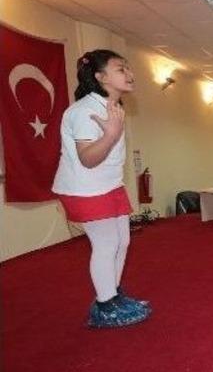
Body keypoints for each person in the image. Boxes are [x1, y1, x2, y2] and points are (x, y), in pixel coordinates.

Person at [52, 49, 151, 328]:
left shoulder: (111, 107)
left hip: (109, 184)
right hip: (86, 188)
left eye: (128, 68)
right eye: (121, 69)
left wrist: (112, 132)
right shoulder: (85, 111)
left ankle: (113, 295)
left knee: (122, 241)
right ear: (100, 76)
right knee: (106, 244)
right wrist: (110, 135)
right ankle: (105, 306)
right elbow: (87, 158)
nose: (129, 73)